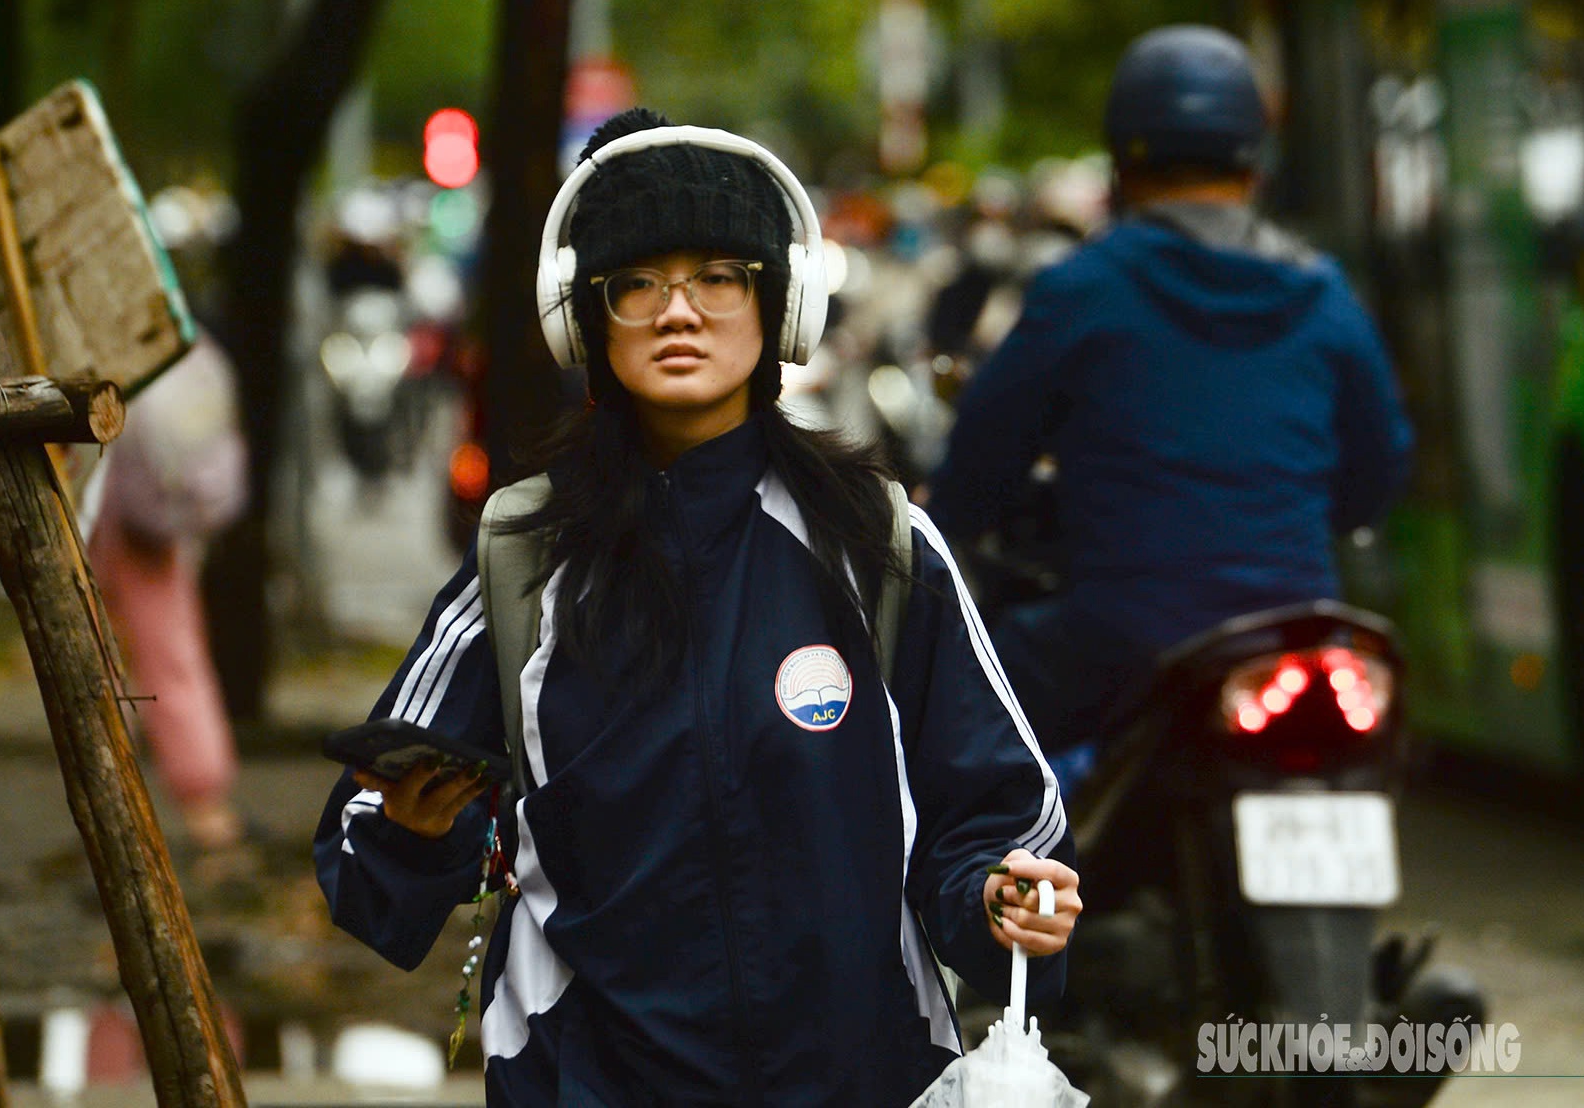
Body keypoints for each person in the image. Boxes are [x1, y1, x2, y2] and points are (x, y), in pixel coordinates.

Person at [314, 108, 1079, 1106]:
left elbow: (995, 814)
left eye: (719, 277)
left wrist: (997, 897)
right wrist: (417, 837)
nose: (680, 311)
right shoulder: (524, 556)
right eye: (636, 282)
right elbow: (359, 837)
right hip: (582, 1082)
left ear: (782, 307)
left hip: (856, 1078)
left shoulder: (877, 544)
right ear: (580, 316)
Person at [925, 25, 1414, 784]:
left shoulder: (1083, 290)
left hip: (1120, 639)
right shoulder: (1325, 293)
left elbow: (987, 454)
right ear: (1255, 155)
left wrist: (948, 528)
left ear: (1124, 155)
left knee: (956, 706)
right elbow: (1379, 466)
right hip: (1302, 636)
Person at [88, 331, 248, 855]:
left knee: (151, 649)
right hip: (144, 505)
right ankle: (184, 793)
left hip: (125, 506)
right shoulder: (179, 344)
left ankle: (197, 799)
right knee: (154, 648)